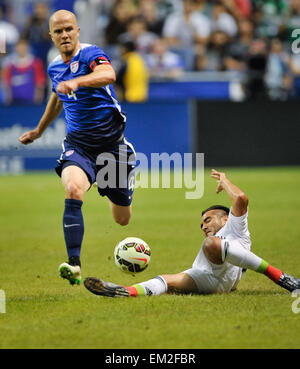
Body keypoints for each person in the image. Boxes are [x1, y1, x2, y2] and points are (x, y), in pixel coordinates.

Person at [18, 10, 136, 286]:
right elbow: (57, 98)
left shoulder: (91, 54)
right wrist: (38, 130)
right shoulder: (54, 67)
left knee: (122, 219)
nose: (65, 35)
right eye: (58, 32)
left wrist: (77, 81)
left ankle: (117, 182)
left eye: (69, 29)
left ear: (78, 30)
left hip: (112, 148)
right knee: (72, 189)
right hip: (79, 146)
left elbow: (109, 74)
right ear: (51, 37)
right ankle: (74, 264)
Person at [84, 169, 300, 297]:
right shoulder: (213, 241)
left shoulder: (235, 228)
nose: (203, 226)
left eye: (207, 220)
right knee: (167, 281)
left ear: (225, 218)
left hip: (224, 272)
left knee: (211, 245)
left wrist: (224, 182)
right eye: (201, 224)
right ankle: (125, 291)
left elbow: (241, 199)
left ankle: (282, 278)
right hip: (207, 278)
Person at [2, 38, 46, 104]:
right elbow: (6, 84)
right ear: (15, 48)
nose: (21, 50)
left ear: (28, 48)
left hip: (31, 103)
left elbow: (40, 84)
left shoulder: (36, 63)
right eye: (19, 47)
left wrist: (38, 101)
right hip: (14, 103)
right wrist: (7, 101)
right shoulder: (9, 64)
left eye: (23, 47)